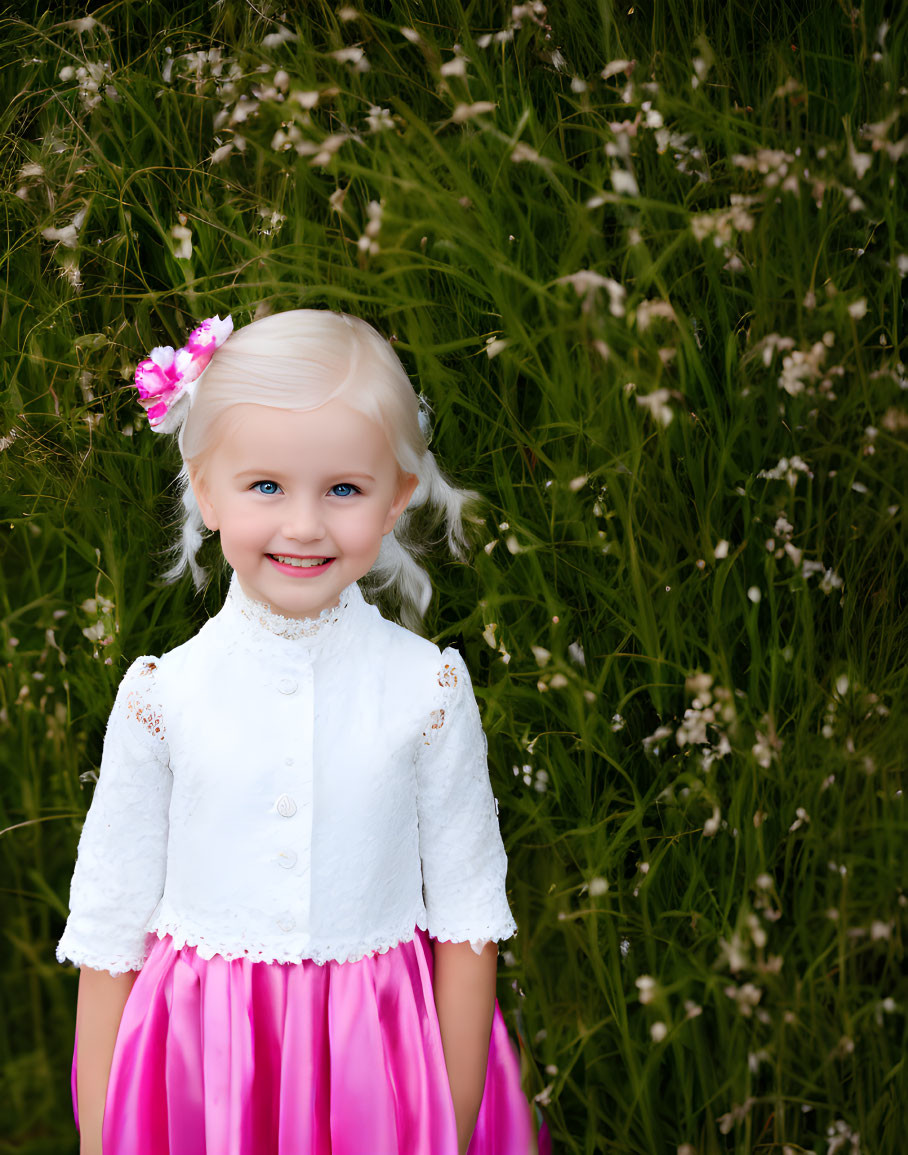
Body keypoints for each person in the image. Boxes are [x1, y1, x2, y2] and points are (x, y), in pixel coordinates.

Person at [56, 309, 540, 1155]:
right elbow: (109, 940)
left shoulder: (427, 691)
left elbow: (469, 929)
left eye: (343, 488)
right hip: (205, 1077)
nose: (306, 524)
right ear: (206, 489)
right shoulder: (162, 699)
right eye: (267, 485)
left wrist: (452, 1129)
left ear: (397, 496)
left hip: (382, 1073)